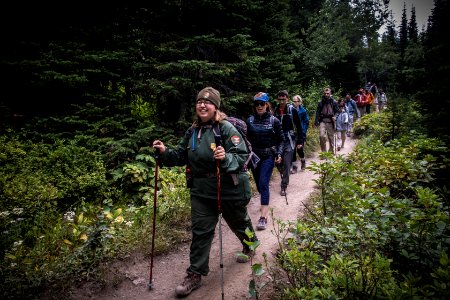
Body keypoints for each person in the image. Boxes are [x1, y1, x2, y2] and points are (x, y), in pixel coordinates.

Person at [152, 87, 258, 297]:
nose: (202, 105)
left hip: (228, 188)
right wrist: (164, 152)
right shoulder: (192, 131)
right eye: (199, 101)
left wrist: (225, 157)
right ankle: (194, 274)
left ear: (216, 107)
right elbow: (179, 156)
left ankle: (250, 244)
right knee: (201, 232)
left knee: (238, 221)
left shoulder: (226, 128)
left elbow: (241, 155)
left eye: (207, 102)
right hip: (201, 192)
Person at [246, 92, 284, 230]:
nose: (259, 106)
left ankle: (263, 217)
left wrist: (279, 153)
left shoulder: (274, 121)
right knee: (259, 185)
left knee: (263, 183)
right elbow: (246, 139)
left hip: (268, 156)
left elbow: (281, 139)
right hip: (254, 157)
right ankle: (265, 203)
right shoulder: (249, 121)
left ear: (267, 105)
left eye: (262, 103)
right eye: (257, 104)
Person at [274, 90, 303, 196]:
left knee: (287, 163)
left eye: (283, 99)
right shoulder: (275, 110)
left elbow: (299, 126)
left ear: (287, 98)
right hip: (277, 140)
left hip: (289, 140)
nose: (281, 101)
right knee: (278, 163)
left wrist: (300, 141)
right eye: (280, 99)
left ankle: (283, 186)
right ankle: (283, 174)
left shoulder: (292, 110)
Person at [314, 87, 339, 155]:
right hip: (322, 121)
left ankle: (330, 152)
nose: (326, 95)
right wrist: (316, 121)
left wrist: (335, 116)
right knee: (321, 136)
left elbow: (337, 111)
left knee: (331, 137)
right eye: (325, 93)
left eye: (328, 93)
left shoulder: (334, 102)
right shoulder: (320, 102)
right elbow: (318, 112)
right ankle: (324, 153)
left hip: (331, 121)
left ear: (330, 93)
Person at [291, 94, 310, 172]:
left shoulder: (303, 111)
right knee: (292, 150)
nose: (294, 103)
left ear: (299, 102)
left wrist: (304, 131)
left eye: (296, 101)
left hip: (301, 133)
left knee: (299, 149)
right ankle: (294, 166)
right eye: (293, 101)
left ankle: (303, 161)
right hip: (292, 133)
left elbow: (306, 121)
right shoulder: (290, 110)